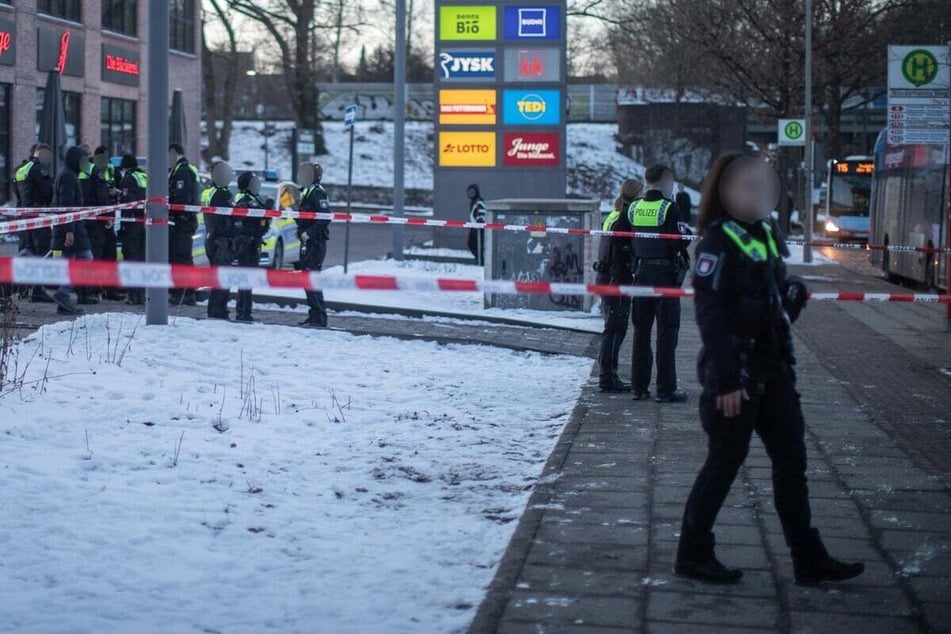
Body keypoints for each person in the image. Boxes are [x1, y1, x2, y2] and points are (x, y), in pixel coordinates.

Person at [675, 153, 865, 586]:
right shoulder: (718, 242)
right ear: (725, 191)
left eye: (762, 185)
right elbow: (711, 314)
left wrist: (791, 295)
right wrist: (725, 379)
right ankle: (693, 553)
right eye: (747, 185)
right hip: (737, 375)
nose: (757, 193)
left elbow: (770, 302)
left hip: (774, 369)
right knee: (724, 464)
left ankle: (808, 557)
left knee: (791, 462)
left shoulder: (764, 233)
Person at [627, 164, 691, 403]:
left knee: (641, 332)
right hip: (664, 275)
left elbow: (622, 236)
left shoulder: (634, 207)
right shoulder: (669, 208)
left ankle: (639, 387)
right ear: (665, 181)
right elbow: (680, 242)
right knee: (666, 332)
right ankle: (665, 388)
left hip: (641, 273)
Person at [595, 178, 643, 393]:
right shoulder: (623, 219)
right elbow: (618, 254)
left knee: (612, 328)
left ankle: (608, 374)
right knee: (615, 329)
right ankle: (607, 378)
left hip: (606, 278)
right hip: (616, 280)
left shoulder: (613, 215)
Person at [50, 146, 93, 315]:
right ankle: (63, 293)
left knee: (71, 261)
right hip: (71, 226)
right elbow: (66, 204)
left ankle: (64, 300)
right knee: (86, 257)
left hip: (72, 225)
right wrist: (69, 230)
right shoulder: (68, 176)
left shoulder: (69, 174)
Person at [13, 144, 56, 304]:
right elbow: (48, 191)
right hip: (38, 215)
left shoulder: (21, 169)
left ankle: (23, 287)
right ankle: (38, 290)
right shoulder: (39, 169)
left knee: (27, 251)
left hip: (24, 215)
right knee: (43, 252)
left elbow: (17, 192)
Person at [75, 146, 115, 305]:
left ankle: (81, 292)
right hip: (95, 220)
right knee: (94, 255)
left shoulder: (73, 170)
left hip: (79, 219)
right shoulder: (93, 170)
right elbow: (102, 195)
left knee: (80, 256)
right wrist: (108, 216)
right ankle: (90, 291)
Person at [294, 162, 331, 327]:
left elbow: (324, 217)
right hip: (308, 241)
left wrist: (308, 233)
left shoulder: (317, 193)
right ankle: (314, 316)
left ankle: (319, 318)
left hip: (315, 243)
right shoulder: (306, 192)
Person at [232, 171, 271, 322]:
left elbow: (264, 218)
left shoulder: (254, 199)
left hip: (254, 242)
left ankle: (246, 312)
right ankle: (243, 313)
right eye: (253, 182)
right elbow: (256, 216)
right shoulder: (244, 200)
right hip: (247, 244)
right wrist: (267, 208)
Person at [202, 162, 235, 320]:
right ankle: (219, 311)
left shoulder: (208, 192)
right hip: (222, 240)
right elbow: (232, 216)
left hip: (211, 237)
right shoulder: (224, 194)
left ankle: (215, 310)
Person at [168, 143, 200, 305]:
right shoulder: (178, 171)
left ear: (174, 153)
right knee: (176, 257)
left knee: (182, 258)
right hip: (179, 222)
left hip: (183, 222)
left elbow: (182, 197)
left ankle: (185, 293)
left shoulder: (183, 172)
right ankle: (179, 291)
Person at [117, 154, 148, 305]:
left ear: (125, 167)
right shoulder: (144, 176)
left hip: (131, 224)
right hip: (145, 223)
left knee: (130, 258)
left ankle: (132, 294)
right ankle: (142, 294)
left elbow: (128, 202)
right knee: (142, 258)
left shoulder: (128, 179)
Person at [466, 184, 487, 265]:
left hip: (479, 227)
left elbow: (482, 212)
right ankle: (480, 260)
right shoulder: (473, 201)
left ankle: (481, 262)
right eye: (469, 192)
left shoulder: (479, 200)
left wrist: (480, 223)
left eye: (472, 192)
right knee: (471, 244)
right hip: (474, 226)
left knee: (478, 245)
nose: (470, 194)